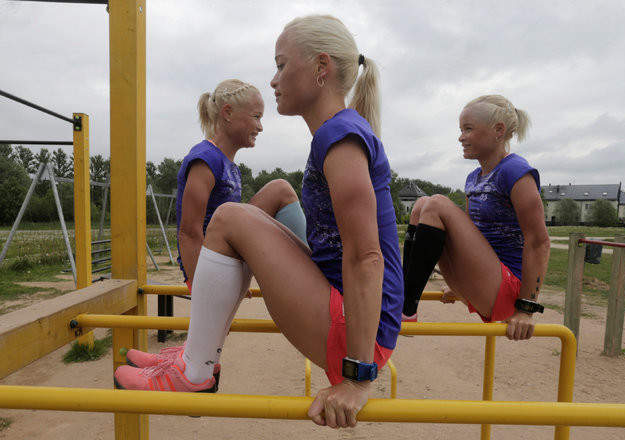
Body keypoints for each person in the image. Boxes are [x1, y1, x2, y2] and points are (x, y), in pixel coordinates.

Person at [114, 15, 403, 429]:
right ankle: (195, 357)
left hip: (359, 336)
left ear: (321, 67)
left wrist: (357, 378)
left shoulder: (339, 135)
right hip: (356, 321)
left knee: (230, 217)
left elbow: (367, 257)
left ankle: (194, 371)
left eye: (282, 65)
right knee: (270, 195)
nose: (274, 79)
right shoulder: (338, 131)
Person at [126, 79, 308, 369]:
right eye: (256, 117)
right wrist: (203, 290)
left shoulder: (227, 164)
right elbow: (189, 232)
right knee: (281, 189)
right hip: (211, 263)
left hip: (225, 256)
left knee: (280, 190)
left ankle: (184, 358)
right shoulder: (206, 159)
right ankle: (313, 272)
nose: (261, 127)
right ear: (227, 113)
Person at [401, 95, 550, 342]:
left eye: (468, 129)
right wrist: (461, 286)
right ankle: (402, 298)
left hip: (509, 290)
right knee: (421, 205)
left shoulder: (515, 171)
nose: (461, 137)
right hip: (484, 281)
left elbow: (539, 242)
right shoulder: (473, 178)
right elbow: (474, 237)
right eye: (461, 130)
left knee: (436, 204)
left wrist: (526, 309)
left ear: (498, 131)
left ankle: (405, 309)